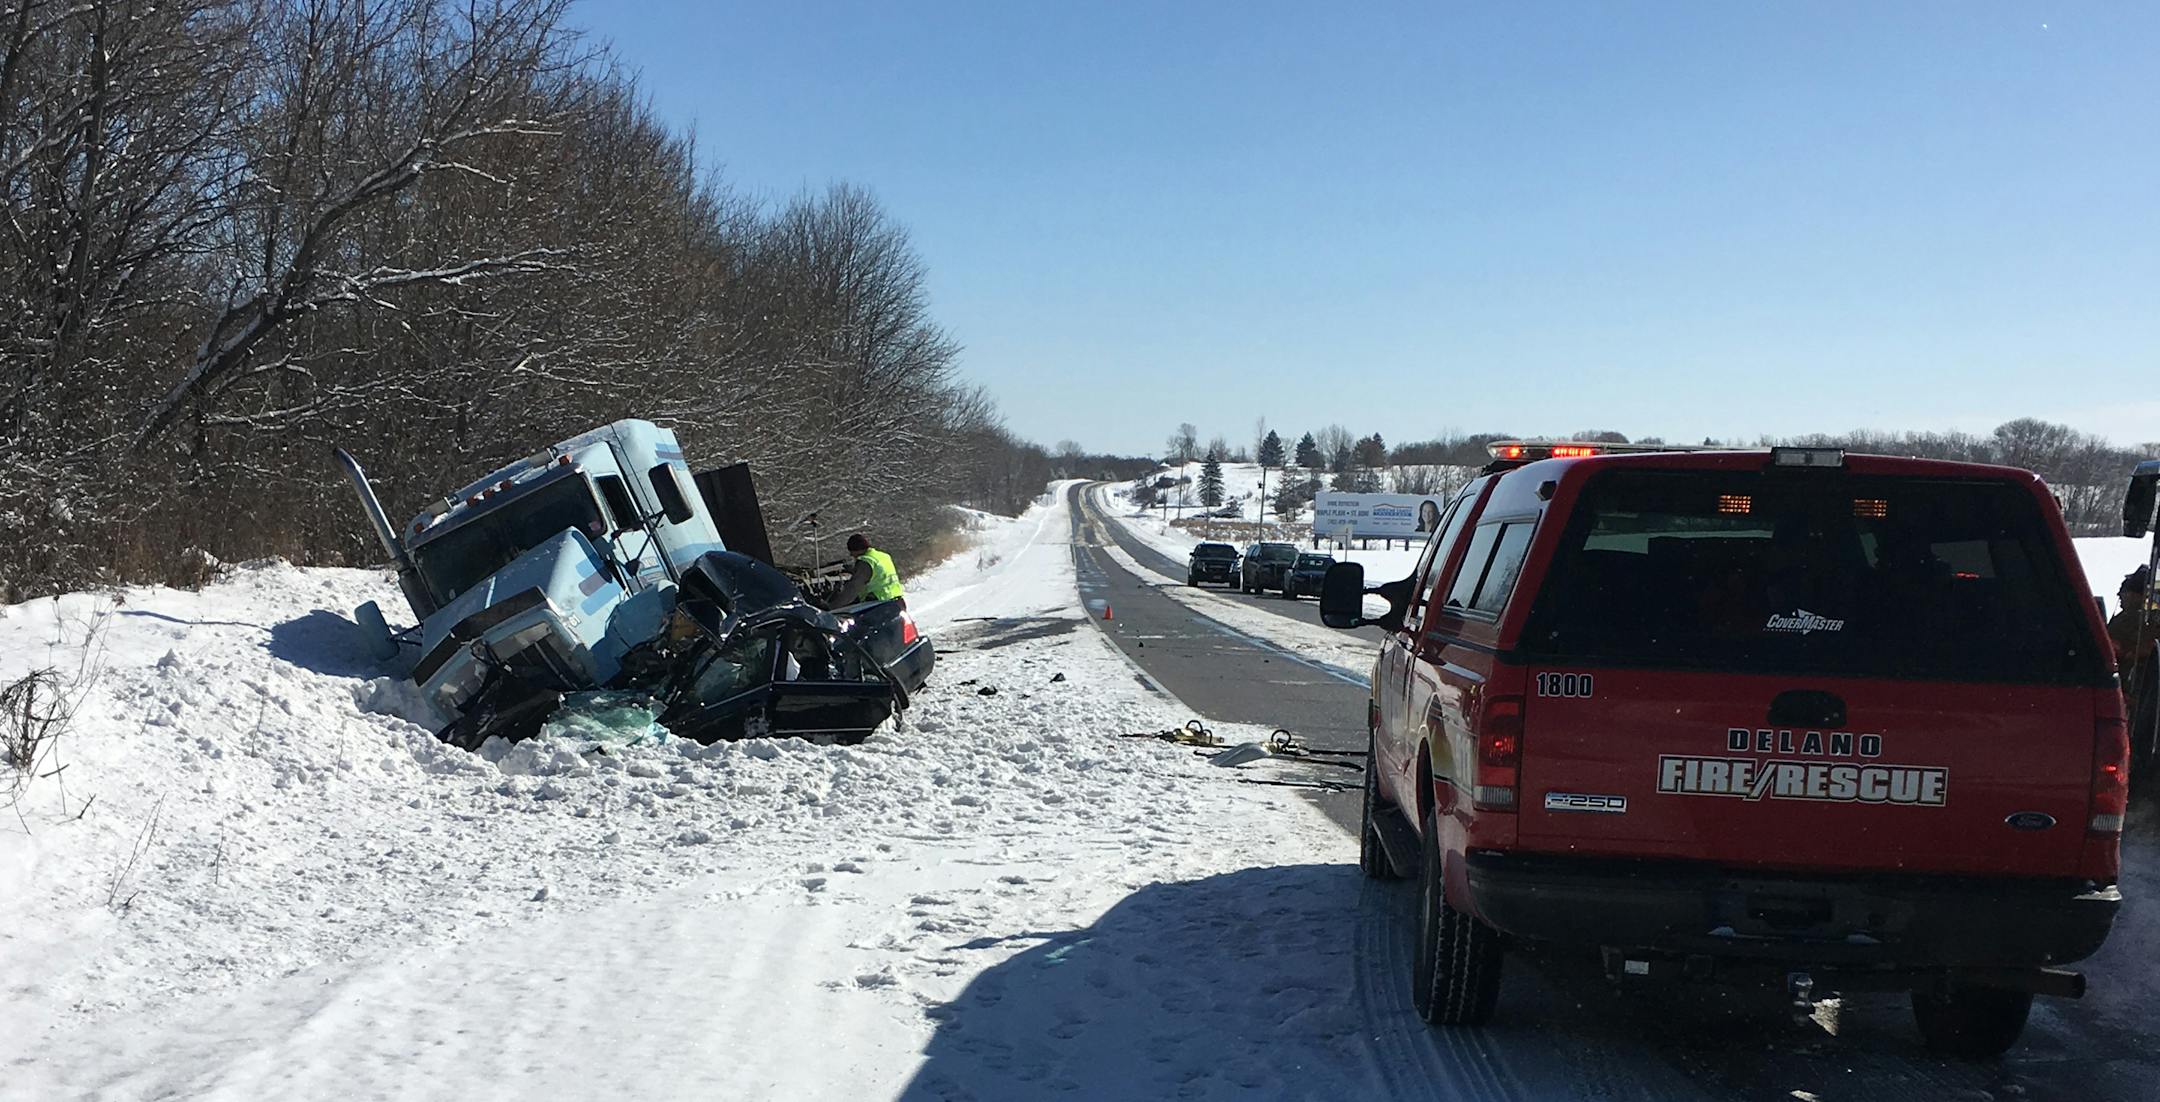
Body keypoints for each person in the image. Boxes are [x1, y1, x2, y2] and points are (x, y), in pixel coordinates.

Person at [832, 532, 906, 608]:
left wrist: (833, 606)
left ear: (857, 549)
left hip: (879, 604)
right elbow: (879, 575)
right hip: (897, 601)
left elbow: (853, 588)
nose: (851, 555)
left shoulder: (865, 562)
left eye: (851, 551)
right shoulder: (883, 556)